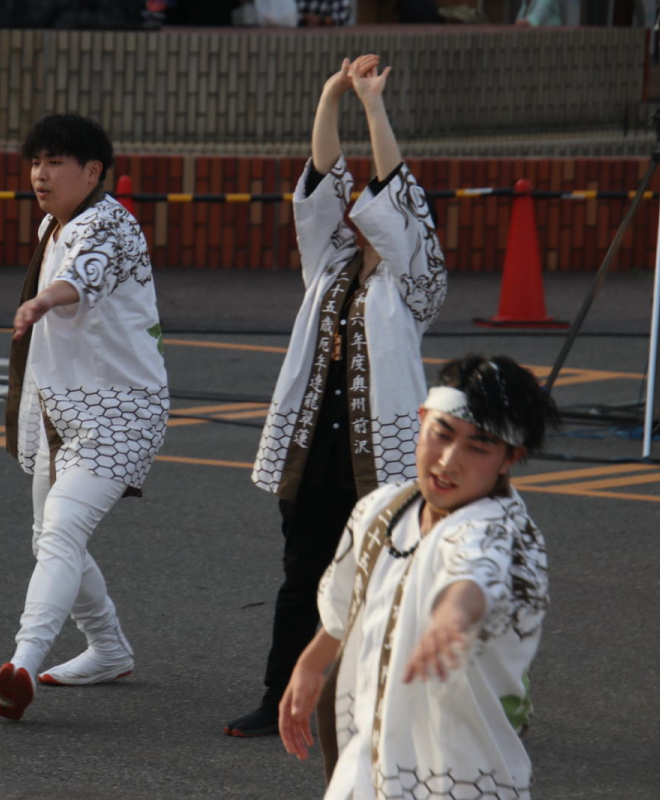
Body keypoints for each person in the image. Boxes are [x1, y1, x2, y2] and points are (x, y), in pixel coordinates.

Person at [225, 55, 447, 738]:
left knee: (389, 575)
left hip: (378, 454)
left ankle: (405, 702)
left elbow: (394, 186)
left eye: (374, 203)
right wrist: (330, 97)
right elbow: (320, 185)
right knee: (303, 574)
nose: (358, 208)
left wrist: (375, 107)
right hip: (313, 444)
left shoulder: (414, 283)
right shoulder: (329, 268)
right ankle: (279, 695)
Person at [279, 355, 558, 800]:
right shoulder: (381, 509)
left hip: (464, 775)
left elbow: (475, 572)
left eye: (478, 447)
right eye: (442, 435)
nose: (449, 461)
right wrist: (312, 663)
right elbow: (348, 602)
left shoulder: (504, 531)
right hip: (368, 759)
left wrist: (452, 616)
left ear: (510, 458)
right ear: (422, 419)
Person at [0, 113, 169, 722]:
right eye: (35, 161)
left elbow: (82, 274)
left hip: (122, 409)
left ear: (92, 171)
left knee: (62, 531)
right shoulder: (54, 221)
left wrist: (43, 299)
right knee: (50, 537)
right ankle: (108, 648)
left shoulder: (109, 223)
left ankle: (23, 662)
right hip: (62, 408)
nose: (40, 173)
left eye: (55, 162)